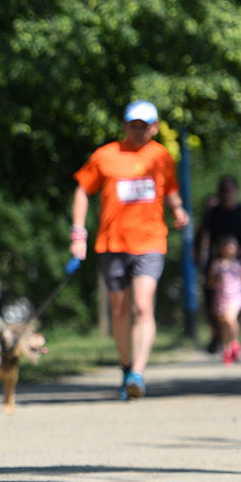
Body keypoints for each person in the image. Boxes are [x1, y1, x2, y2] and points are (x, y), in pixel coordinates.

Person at [69, 100, 189, 401]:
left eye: (143, 126)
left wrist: (178, 210)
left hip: (150, 242)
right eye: (133, 125)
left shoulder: (161, 156)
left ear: (155, 127)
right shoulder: (105, 155)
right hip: (112, 243)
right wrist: (78, 233)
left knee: (142, 306)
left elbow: (171, 189)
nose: (138, 131)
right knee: (120, 309)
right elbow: (83, 190)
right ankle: (125, 366)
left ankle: (137, 372)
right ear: (124, 126)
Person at [193, 176, 241, 352]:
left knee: (236, 305)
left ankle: (233, 341)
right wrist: (197, 255)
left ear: (236, 191)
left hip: (237, 265)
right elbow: (200, 234)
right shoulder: (212, 213)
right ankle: (217, 334)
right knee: (212, 304)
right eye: (223, 190)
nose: (226, 194)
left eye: (229, 190)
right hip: (215, 265)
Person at [206, 234, 241, 365]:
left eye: (233, 247)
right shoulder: (216, 265)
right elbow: (209, 283)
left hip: (235, 296)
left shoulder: (239, 264)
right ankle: (227, 349)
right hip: (221, 297)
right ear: (222, 249)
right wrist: (216, 280)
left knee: (230, 319)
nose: (230, 250)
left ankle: (235, 342)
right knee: (224, 323)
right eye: (227, 247)